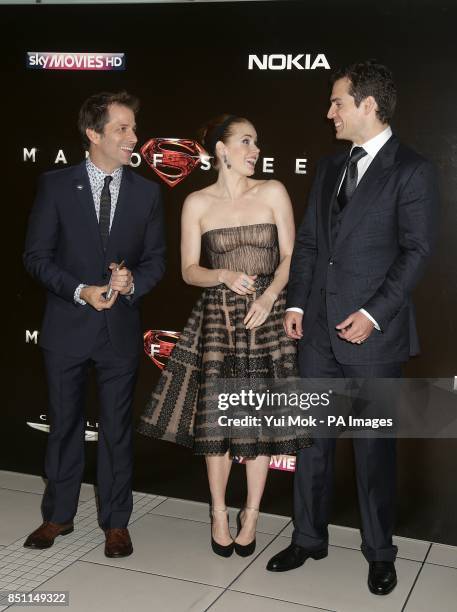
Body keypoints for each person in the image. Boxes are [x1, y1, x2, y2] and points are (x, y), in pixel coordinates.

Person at [266, 61, 438, 595]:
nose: (329, 111)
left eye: (337, 101)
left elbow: (417, 251)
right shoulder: (328, 167)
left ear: (367, 104)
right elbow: (313, 245)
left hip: (373, 334)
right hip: (316, 331)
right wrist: (295, 305)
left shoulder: (412, 170)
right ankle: (308, 538)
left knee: (372, 448)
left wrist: (372, 313)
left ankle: (380, 552)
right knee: (312, 443)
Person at [138, 114, 311, 557]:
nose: (256, 151)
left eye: (257, 142)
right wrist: (222, 274)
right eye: (247, 142)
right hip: (219, 321)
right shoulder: (197, 203)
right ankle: (218, 510)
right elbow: (188, 270)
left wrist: (271, 295)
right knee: (217, 423)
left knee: (255, 421)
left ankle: (251, 513)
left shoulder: (272, 191)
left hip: (265, 319)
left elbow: (292, 255)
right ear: (221, 149)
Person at [23, 91, 166, 558]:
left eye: (133, 129)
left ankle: (116, 523)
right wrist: (80, 290)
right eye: (122, 129)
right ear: (93, 134)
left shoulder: (147, 192)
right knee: (63, 424)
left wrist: (130, 283)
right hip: (67, 325)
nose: (134, 138)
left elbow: (156, 261)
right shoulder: (56, 185)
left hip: (119, 331)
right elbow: (36, 257)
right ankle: (57, 516)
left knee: (117, 430)